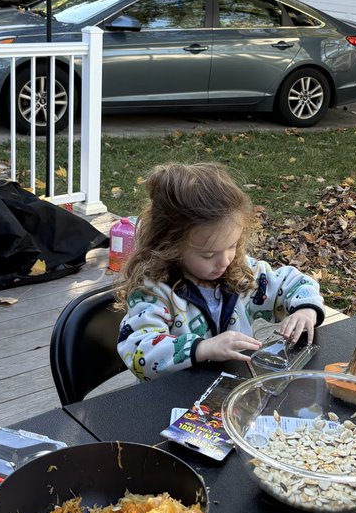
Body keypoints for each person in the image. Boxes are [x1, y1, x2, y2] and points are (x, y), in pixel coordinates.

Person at [116, 162, 324, 381]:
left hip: (231, 388)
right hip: (174, 397)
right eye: (208, 255)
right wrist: (202, 348)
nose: (225, 260)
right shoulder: (153, 292)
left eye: (232, 245)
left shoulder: (240, 273)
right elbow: (141, 351)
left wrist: (306, 310)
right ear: (171, 246)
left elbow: (292, 283)